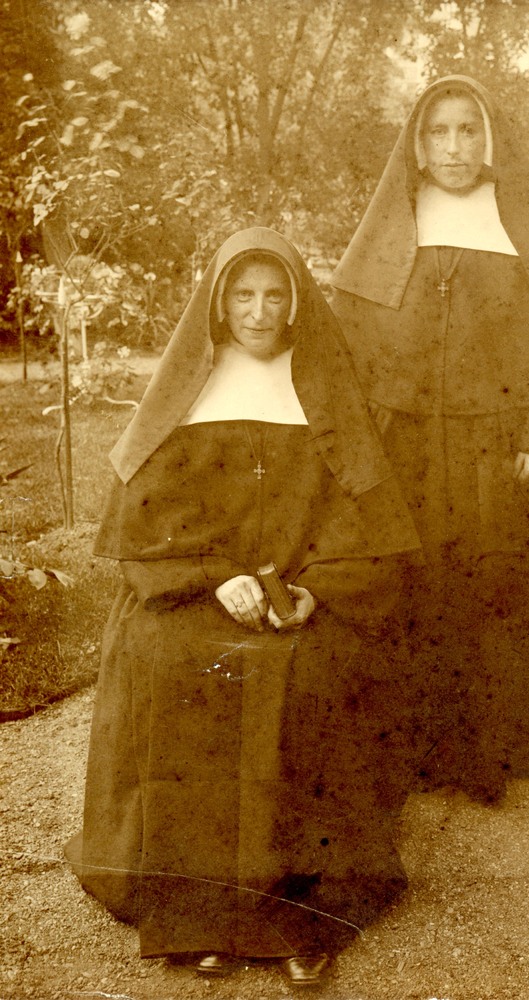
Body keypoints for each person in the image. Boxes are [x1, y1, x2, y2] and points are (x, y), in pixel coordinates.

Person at [65, 227, 420, 986]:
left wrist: (317, 588)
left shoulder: (326, 381)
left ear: (296, 304)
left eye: (274, 295)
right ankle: (198, 910)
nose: (258, 312)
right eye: (243, 295)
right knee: (176, 663)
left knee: (308, 672)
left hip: (302, 589)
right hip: (196, 588)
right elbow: (150, 513)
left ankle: (302, 916)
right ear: (219, 304)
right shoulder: (188, 387)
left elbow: (357, 512)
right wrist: (213, 575)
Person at [330, 76, 529, 802]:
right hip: (412, 448)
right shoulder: (394, 222)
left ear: (489, 139)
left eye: (467, 130)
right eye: (438, 131)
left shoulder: (523, 221)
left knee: (503, 584)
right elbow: (351, 344)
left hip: (503, 448)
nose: (453, 147)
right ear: (417, 145)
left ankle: (514, 740)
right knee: (417, 583)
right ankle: (420, 746)